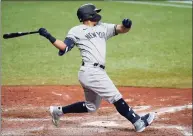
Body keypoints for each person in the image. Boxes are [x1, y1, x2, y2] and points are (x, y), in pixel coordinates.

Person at [39, 3, 155, 133]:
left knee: (91, 106)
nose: (97, 14)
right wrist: (49, 36)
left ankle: (58, 111)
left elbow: (121, 29)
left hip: (94, 73)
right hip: (91, 72)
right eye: (95, 12)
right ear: (89, 15)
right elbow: (64, 47)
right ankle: (138, 122)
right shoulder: (76, 30)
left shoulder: (103, 27)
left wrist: (127, 25)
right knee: (116, 97)